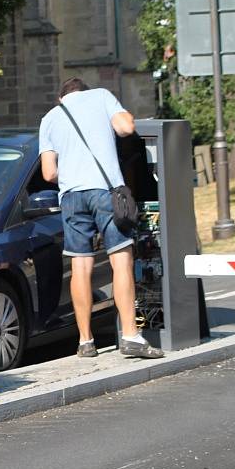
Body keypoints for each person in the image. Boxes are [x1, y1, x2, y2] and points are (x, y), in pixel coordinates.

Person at [38, 78, 163, 359]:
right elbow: (126, 127)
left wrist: (72, 169)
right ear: (84, 90)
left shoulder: (49, 118)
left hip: (71, 196)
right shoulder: (101, 95)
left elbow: (48, 173)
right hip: (104, 192)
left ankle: (85, 341)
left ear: (62, 98)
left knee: (80, 266)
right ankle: (131, 336)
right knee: (121, 259)